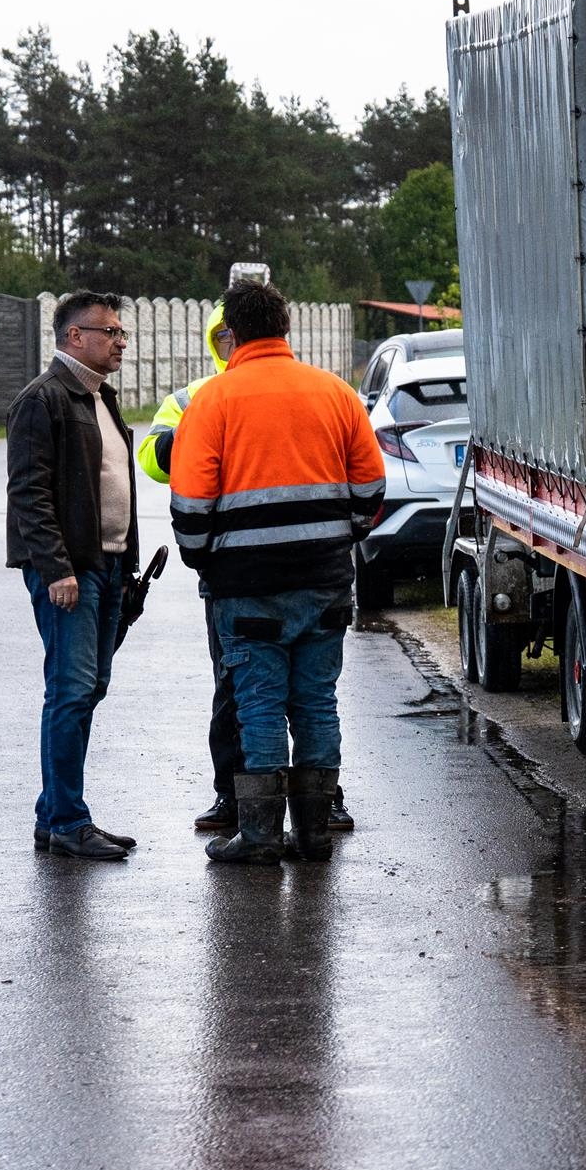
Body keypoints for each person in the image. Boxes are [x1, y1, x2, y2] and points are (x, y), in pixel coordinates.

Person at [169, 279, 385, 864]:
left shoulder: (212, 401)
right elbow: (370, 489)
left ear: (230, 334)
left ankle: (261, 836)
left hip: (246, 586)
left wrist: (206, 557)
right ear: (286, 329)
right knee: (316, 702)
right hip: (325, 580)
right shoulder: (335, 393)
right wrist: (339, 538)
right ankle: (314, 834)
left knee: (259, 702)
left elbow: (189, 508)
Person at [7, 291, 143, 862]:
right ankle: (67, 820)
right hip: (72, 573)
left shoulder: (98, 397)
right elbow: (29, 493)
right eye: (109, 331)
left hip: (108, 567)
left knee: (90, 688)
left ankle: (54, 813)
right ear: (73, 337)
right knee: (69, 692)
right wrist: (56, 567)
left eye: (121, 332)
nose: (119, 342)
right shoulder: (44, 399)